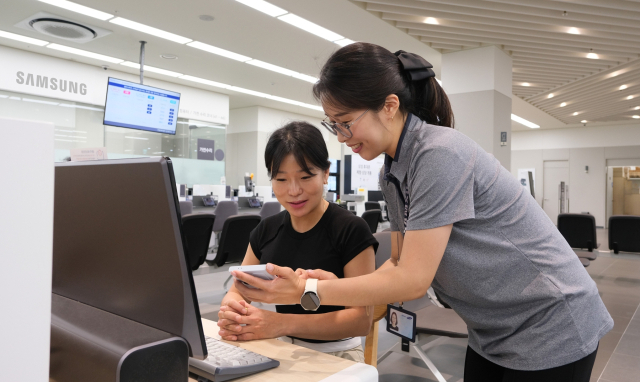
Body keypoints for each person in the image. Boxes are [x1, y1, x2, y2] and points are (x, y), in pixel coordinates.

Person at [231, 42, 613, 382]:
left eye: (346, 124)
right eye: (335, 126)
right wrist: (330, 285)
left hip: (549, 321)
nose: (343, 139)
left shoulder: (438, 153)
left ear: (390, 106)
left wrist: (307, 289)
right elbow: (397, 264)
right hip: (493, 328)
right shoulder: (393, 171)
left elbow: (412, 280)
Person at [217, 121, 378, 362]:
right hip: (277, 346)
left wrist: (280, 323)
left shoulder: (350, 229)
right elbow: (238, 291)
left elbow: (360, 320)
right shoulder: (266, 229)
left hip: (338, 353)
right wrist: (235, 311)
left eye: (305, 177)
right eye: (281, 180)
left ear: (325, 173)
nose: (293, 191)